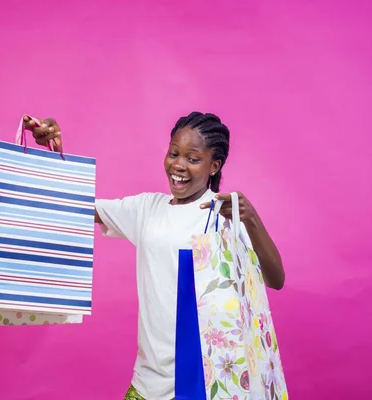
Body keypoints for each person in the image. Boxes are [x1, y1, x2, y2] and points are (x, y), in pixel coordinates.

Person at [24, 111, 285, 400]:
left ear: (214, 165)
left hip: (210, 384)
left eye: (193, 159)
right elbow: (75, 207)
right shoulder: (147, 209)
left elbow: (275, 279)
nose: (178, 165)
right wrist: (54, 155)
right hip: (149, 381)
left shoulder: (224, 212)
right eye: (174, 153)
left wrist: (252, 220)